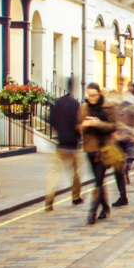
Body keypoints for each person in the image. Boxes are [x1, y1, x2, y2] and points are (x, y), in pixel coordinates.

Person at [80, 83, 118, 224]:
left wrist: (99, 123)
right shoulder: (84, 108)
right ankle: (105, 207)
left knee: (98, 181)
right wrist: (84, 125)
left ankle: (92, 212)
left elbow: (114, 125)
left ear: (99, 94)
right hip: (90, 149)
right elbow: (78, 126)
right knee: (98, 180)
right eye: (89, 96)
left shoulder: (109, 106)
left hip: (103, 149)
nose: (92, 98)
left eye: (94, 95)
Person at [45, 77, 83, 211]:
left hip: (60, 144)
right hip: (73, 145)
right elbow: (78, 122)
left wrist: (60, 130)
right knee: (76, 173)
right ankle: (76, 197)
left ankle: (49, 199)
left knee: (53, 174)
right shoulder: (75, 104)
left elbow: (51, 119)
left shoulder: (58, 102)